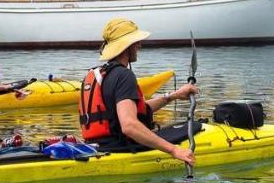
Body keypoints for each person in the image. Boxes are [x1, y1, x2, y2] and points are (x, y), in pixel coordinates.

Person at [78, 18, 199, 165]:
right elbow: (129, 126)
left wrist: (173, 96)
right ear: (126, 46)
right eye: (136, 42)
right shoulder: (124, 75)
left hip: (97, 147)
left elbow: (135, 109)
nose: (139, 45)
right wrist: (174, 150)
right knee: (195, 127)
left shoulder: (100, 74)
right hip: (121, 148)